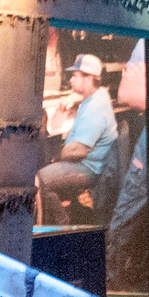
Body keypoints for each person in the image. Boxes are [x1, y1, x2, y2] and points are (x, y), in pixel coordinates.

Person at [36, 55, 118, 223]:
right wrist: (73, 99)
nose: (71, 80)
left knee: (41, 179)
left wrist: (57, 156)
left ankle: (61, 226)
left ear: (89, 79)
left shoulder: (95, 108)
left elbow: (78, 150)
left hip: (89, 168)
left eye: (75, 75)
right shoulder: (97, 96)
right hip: (87, 163)